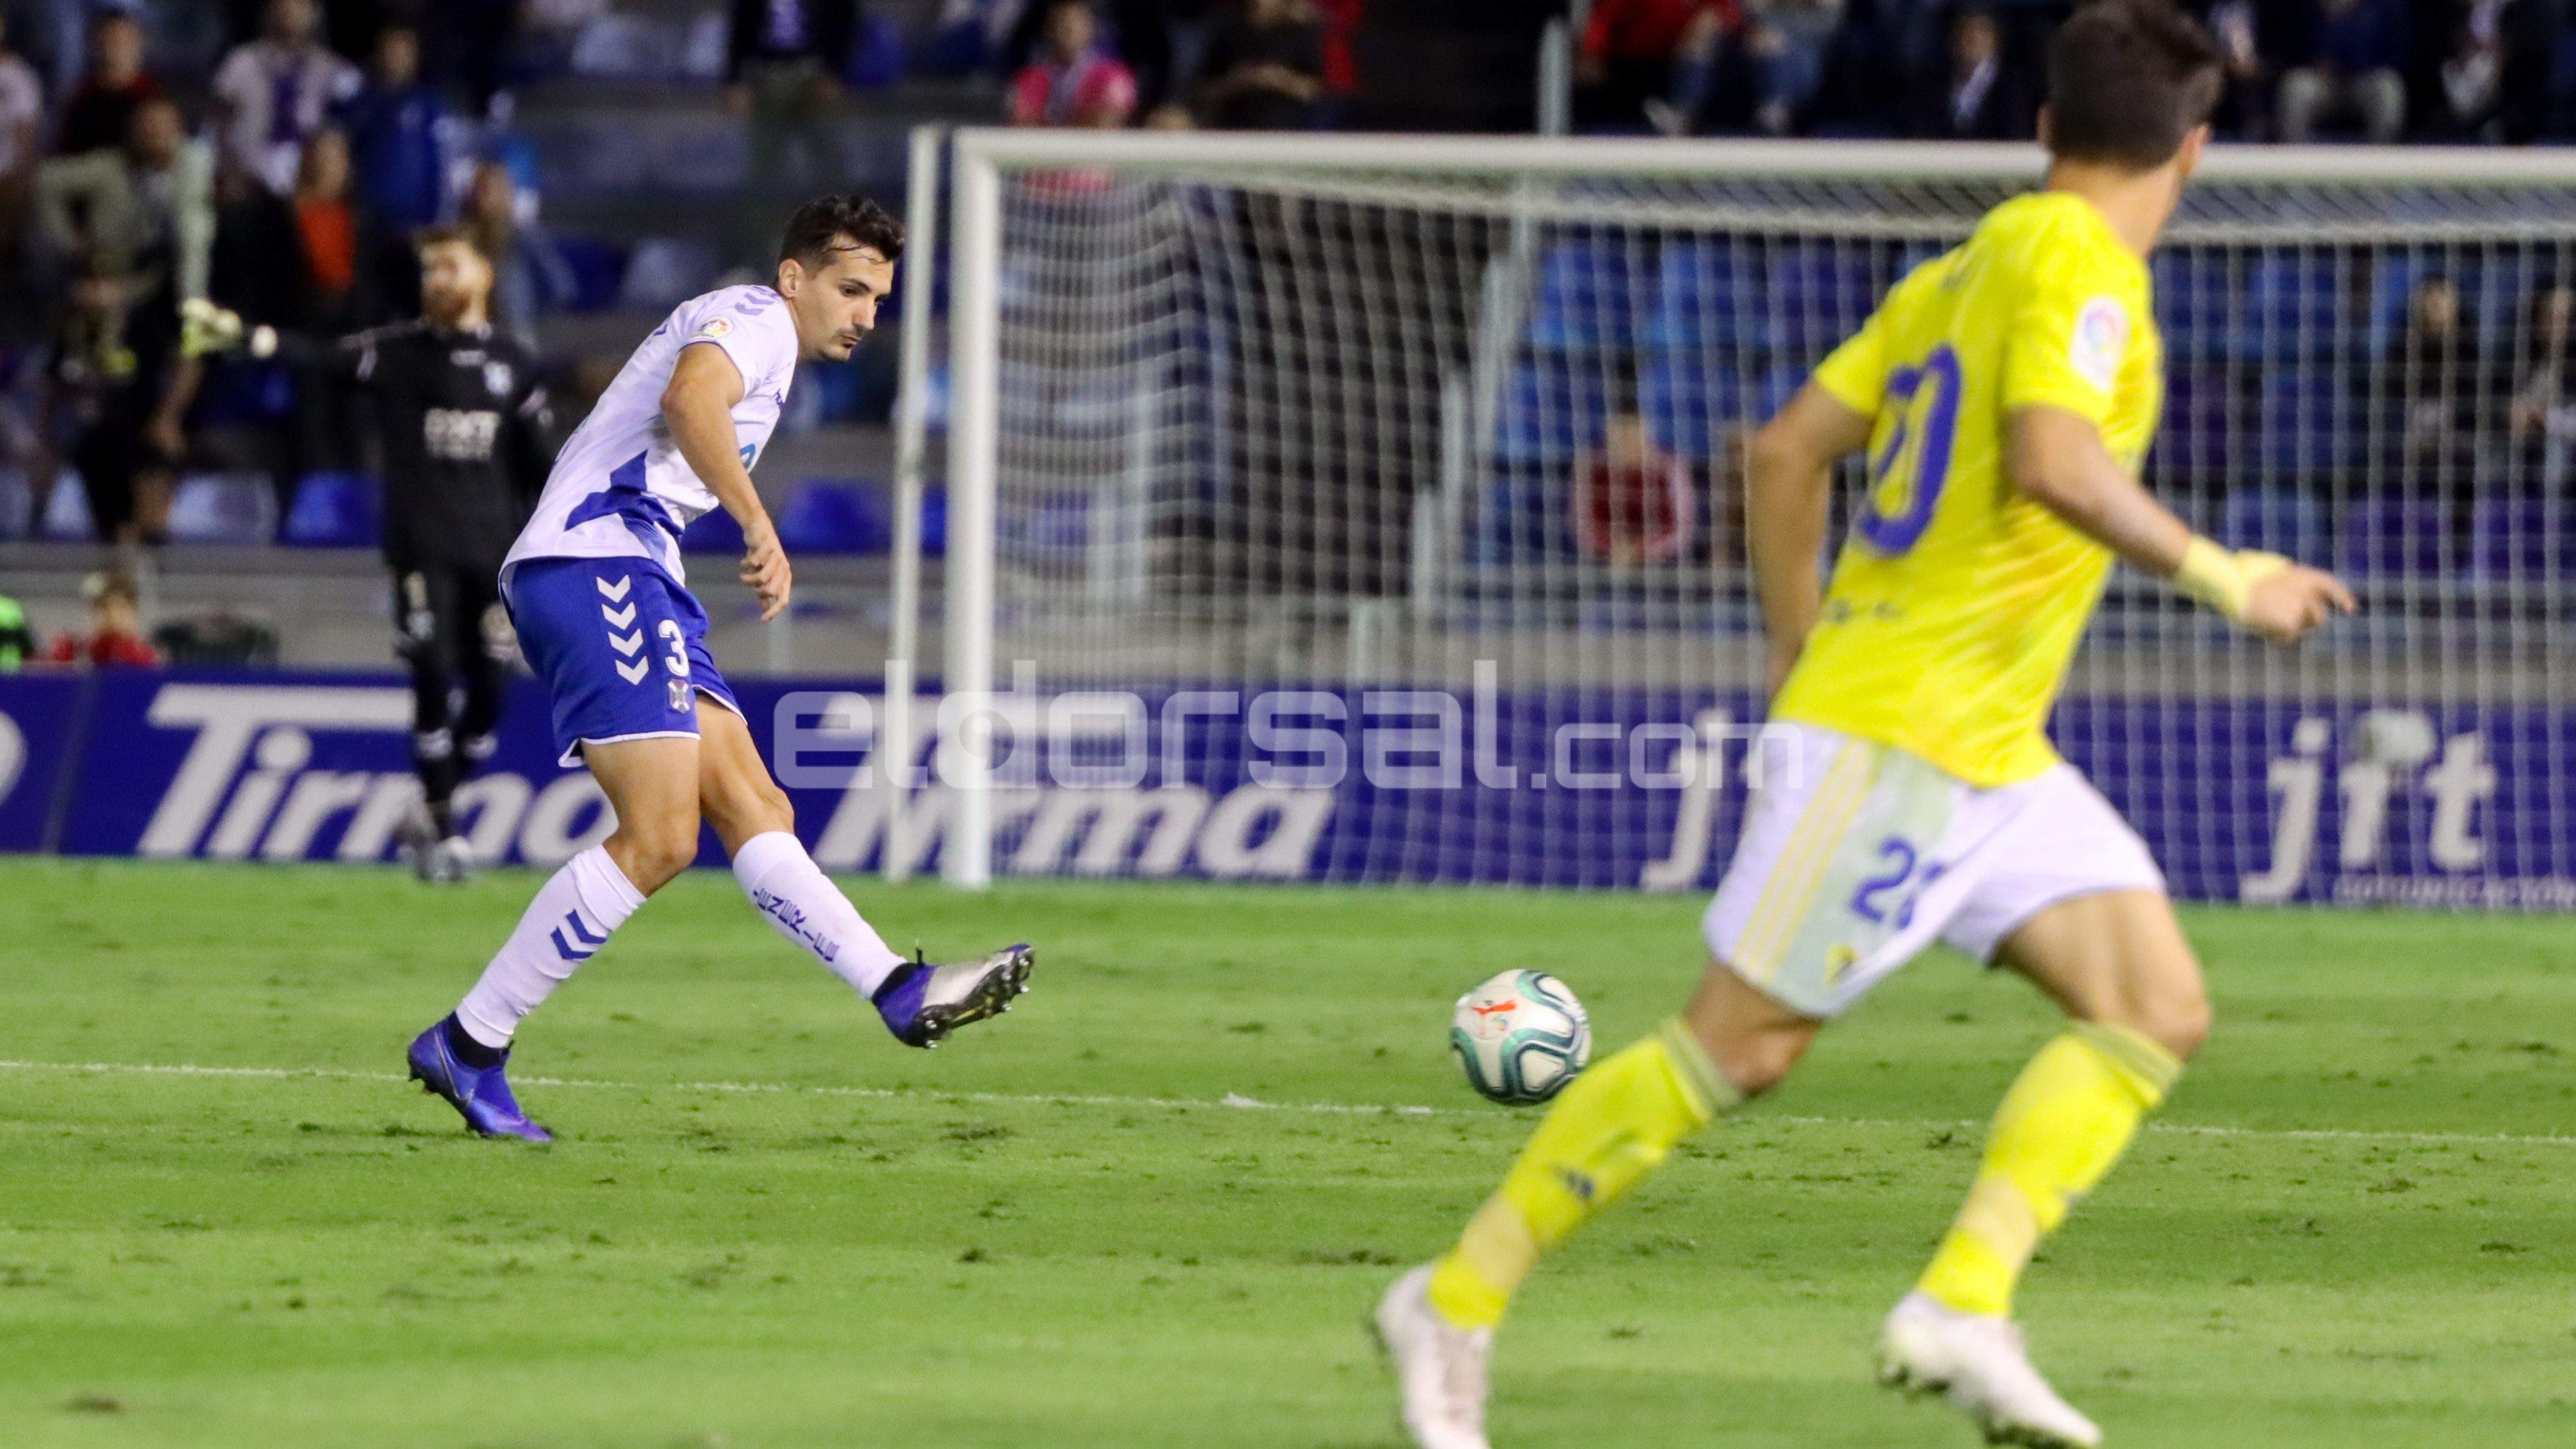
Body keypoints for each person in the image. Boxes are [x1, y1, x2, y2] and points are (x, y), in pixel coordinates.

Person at [1373, 8, 2356, 1449]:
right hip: (1902, 732)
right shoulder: (2083, 271)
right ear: (2194, 150)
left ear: (2041, 127)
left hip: (1986, 745)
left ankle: (1964, 1302)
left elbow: (1784, 449)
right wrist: (2229, 573)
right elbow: (2052, 457)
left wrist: (1793, 650)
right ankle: (1450, 1300)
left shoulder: (1964, 265)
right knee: (1737, 1050)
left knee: (2153, 1004)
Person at [403, 196, 1036, 1143]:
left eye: (879, 298)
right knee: (659, 837)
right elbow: (688, 400)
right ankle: (472, 1039)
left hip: (635, 569)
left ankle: (898, 988)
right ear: (796, 277)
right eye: (851, 289)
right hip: (596, 561)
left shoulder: (765, 340)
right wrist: (756, 520)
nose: (866, 314)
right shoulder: (757, 320)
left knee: (754, 806)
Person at [204, 226, 552, 880]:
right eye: (429, 270)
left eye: (450, 266)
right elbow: (323, 356)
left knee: (490, 690)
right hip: (420, 548)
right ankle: (447, 832)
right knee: (429, 672)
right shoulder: (399, 353)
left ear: (484, 276)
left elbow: (542, 467)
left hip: (494, 555)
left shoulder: (516, 362)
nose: (437, 280)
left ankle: (430, 804)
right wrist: (252, 337)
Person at [211, 0, 362, 194]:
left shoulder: (333, 70)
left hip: (312, 187)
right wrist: (225, 170)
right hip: (250, 181)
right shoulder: (241, 62)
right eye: (283, 6)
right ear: (269, 11)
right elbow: (214, 124)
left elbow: (353, 129)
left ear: (314, 14)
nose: (290, 12)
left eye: (299, 6)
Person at [1570, 411, 1695, 567]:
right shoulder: (1590, 468)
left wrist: (1644, 550)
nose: (1627, 444)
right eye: (1621, 439)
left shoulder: (1669, 468)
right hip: (1605, 559)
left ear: (1646, 438)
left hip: (1663, 560)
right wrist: (1613, 548)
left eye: (1633, 438)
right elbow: (1582, 525)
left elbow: (1682, 528)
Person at [2274, 0, 2406, 143]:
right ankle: (2298, 160)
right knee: (2296, 87)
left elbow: (2397, 52)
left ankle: (2380, 159)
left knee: (2388, 89)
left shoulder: (2383, 5)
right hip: (2322, 81)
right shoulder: (2309, 7)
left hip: (2367, 78)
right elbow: (2293, 49)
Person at [1195, 0, 1327, 131]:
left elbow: (1314, 91)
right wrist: (1241, 80)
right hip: (1235, 130)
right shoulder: (1228, 29)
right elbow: (1205, 90)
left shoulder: (1300, 31)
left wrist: (1280, 80)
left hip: (1289, 130)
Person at [1007, 2, 1138, 127]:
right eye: (1060, 22)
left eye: (1074, 22)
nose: (1067, 29)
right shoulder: (1031, 77)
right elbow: (1021, 122)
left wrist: (1050, 122)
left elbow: (1106, 123)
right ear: (1048, 28)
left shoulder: (1114, 75)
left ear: (1090, 26)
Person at [54, 10, 159, 158]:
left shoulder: (152, 97)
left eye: (122, 40)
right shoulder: (82, 99)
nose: (114, 48)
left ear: (138, 43)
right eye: (108, 40)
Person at [42, 570, 162, 667]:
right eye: (105, 608)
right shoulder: (73, 650)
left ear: (134, 614)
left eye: (121, 609)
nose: (113, 616)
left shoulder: (147, 659)